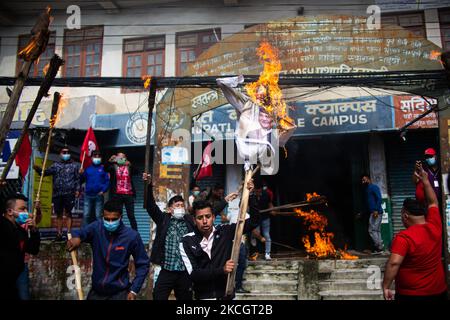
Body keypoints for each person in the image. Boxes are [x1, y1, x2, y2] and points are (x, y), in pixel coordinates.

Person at [179, 180, 260, 300]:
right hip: (203, 298)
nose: (205, 221)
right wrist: (221, 270)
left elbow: (253, 222)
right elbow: (194, 274)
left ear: (213, 217)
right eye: (200, 218)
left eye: (208, 216)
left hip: (227, 296)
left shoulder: (225, 232)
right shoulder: (187, 241)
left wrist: (251, 196)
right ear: (194, 221)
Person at [383, 164, 447, 300]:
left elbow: (394, 263)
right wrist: (425, 180)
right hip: (439, 293)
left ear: (405, 215)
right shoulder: (435, 226)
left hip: (411, 295)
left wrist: (386, 286)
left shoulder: (403, 238)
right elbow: (433, 203)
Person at [67, 200, 149, 300]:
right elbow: (80, 232)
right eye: (107, 219)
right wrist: (76, 238)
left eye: (114, 219)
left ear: (121, 217)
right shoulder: (97, 228)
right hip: (97, 292)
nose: (110, 222)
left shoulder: (132, 236)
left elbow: (143, 264)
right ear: (103, 216)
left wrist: (134, 290)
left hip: (119, 293)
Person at [216, 76, 296, 175]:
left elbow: (282, 137)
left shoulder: (272, 110)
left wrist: (286, 126)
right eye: (259, 93)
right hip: (246, 147)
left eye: (263, 93)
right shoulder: (248, 105)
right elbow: (223, 85)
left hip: (263, 150)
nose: (260, 96)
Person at [143, 172, 195, 300]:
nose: (180, 208)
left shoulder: (189, 221)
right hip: (167, 270)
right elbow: (150, 206)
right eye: (177, 206)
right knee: (158, 296)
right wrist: (148, 185)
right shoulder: (163, 219)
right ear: (170, 209)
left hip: (185, 271)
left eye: (182, 206)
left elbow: (207, 216)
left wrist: (224, 202)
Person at [34, 147, 80, 241]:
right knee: (59, 214)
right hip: (57, 194)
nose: (66, 154)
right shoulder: (55, 165)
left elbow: (77, 179)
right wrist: (37, 169)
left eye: (67, 152)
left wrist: (77, 190)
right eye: (64, 152)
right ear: (60, 154)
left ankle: (68, 234)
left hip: (69, 193)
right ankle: (59, 233)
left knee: (68, 213)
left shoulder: (74, 166)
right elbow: (45, 173)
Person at [0, 193, 40, 300]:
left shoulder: (20, 231)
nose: (26, 212)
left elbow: (33, 249)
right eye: (22, 209)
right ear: (9, 211)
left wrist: (34, 230)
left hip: (15, 275)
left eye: (26, 209)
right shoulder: (3, 225)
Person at [106, 152, 138, 231]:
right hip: (117, 195)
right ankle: (118, 232)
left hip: (129, 194)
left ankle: (135, 233)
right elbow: (105, 168)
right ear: (116, 158)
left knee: (131, 216)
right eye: (119, 157)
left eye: (122, 157)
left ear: (125, 158)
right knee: (118, 214)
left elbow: (137, 171)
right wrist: (109, 160)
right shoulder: (113, 167)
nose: (121, 159)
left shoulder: (128, 167)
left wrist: (130, 164)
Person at [79, 150, 110, 225]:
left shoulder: (104, 169)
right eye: (95, 156)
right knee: (86, 215)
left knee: (98, 216)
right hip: (88, 195)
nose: (97, 157)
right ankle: (86, 233)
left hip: (99, 195)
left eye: (98, 156)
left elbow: (107, 181)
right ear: (92, 158)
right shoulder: (87, 169)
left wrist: (103, 190)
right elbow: (81, 180)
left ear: (101, 158)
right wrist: (81, 174)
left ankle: (99, 233)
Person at [361, 174, 384, 255]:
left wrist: (376, 210)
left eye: (364, 180)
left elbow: (379, 198)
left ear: (369, 179)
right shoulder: (367, 189)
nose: (363, 182)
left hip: (376, 212)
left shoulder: (373, 187)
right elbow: (368, 203)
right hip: (373, 212)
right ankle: (379, 248)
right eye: (362, 181)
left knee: (372, 230)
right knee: (376, 230)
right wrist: (362, 213)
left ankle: (379, 247)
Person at [251, 178, 274, 260]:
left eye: (259, 191)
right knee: (255, 234)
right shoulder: (251, 195)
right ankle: (254, 253)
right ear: (254, 189)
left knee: (267, 235)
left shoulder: (266, 194)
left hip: (265, 217)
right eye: (256, 191)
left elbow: (270, 204)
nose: (258, 193)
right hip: (255, 218)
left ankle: (267, 254)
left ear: (261, 189)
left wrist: (272, 210)